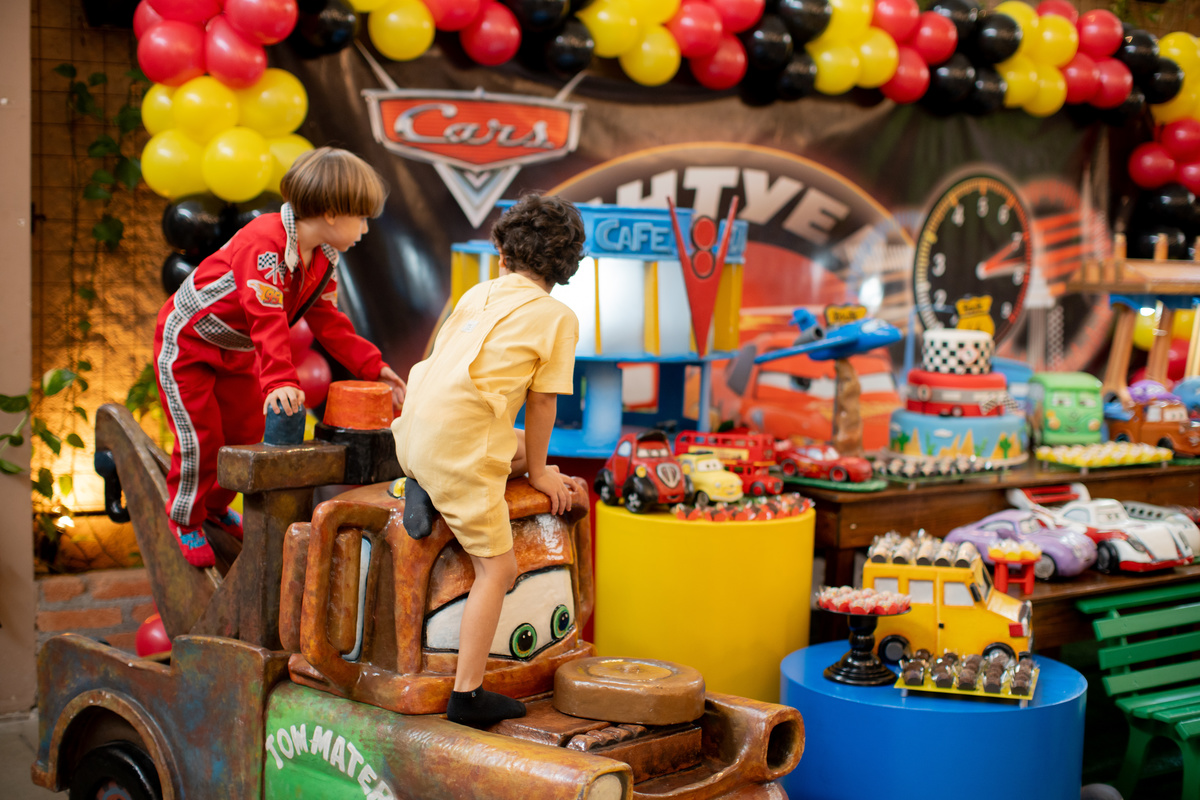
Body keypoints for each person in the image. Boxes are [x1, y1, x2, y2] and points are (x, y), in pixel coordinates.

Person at [154, 147, 405, 568]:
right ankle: (186, 518)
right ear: (330, 212)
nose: (365, 228)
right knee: (202, 437)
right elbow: (266, 317)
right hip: (189, 347)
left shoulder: (324, 258)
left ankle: (215, 508)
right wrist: (279, 381)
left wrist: (373, 366)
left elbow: (329, 321)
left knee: (247, 432)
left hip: (236, 350)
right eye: (361, 217)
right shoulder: (266, 243)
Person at [391, 193, 586, 729]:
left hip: (413, 438)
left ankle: (423, 483)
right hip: (459, 452)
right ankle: (468, 694)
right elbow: (545, 402)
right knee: (497, 568)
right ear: (567, 268)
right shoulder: (556, 316)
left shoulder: (477, 294)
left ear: (502, 252)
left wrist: (537, 461)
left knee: (515, 445)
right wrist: (544, 472)